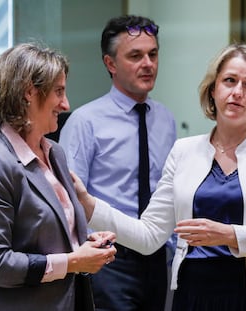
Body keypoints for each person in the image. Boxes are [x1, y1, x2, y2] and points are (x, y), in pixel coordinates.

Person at [75, 43, 246, 311]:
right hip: (193, 293)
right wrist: (88, 204)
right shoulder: (184, 151)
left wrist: (230, 235)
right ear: (213, 88)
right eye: (229, 81)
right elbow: (148, 236)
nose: (238, 92)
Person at [0, 42, 117, 311]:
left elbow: (52, 238)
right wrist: (73, 262)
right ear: (29, 93)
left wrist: (87, 245)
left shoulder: (55, 152)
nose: (66, 104)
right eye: (59, 91)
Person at [59, 15, 176, 310]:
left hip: (156, 257)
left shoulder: (165, 118)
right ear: (110, 64)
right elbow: (69, 198)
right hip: (108, 258)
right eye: (135, 56)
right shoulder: (85, 122)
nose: (148, 64)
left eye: (153, 53)